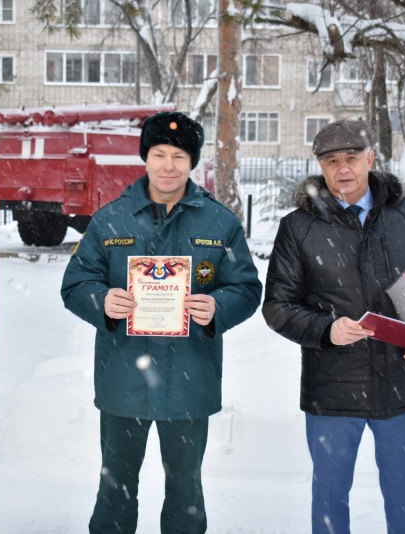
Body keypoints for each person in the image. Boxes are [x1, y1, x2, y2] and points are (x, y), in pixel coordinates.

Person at [61, 111, 262, 534]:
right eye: (158, 154)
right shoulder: (111, 219)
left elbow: (246, 288)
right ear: (145, 158)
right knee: (116, 486)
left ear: (192, 163)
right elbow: (76, 283)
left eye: (178, 156)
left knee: (185, 490)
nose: (168, 165)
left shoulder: (219, 222)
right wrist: (102, 301)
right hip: (123, 381)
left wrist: (218, 308)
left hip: (191, 380)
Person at [262, 119, 405, 533]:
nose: (343, 168)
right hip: (332, 390)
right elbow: (277, 306)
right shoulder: (299, 226)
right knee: (330, 503)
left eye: (352, 157)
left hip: (401, 381)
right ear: (320, 166)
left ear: (370, 158)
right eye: (332, 161)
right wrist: (325, 330)